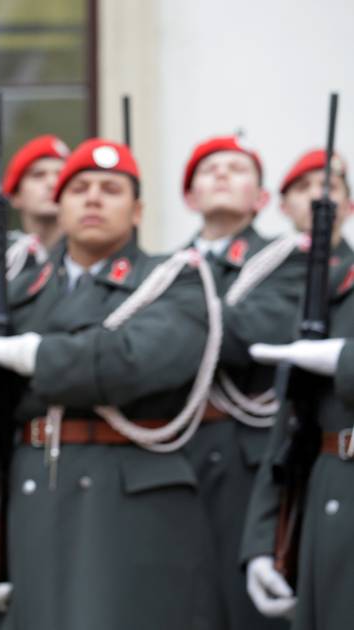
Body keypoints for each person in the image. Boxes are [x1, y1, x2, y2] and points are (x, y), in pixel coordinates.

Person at [0, 139, 224, 629]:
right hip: (34, 493)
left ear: (137, 211)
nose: (93, 198)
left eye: (111, 189)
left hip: (131, 503)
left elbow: (136, 362)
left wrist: (37, 357)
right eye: (79, 188)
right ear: (60, 205)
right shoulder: (19, 291)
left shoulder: (172, 279)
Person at [180, 136, 313, 630]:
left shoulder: (288, 259)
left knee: (245, 608)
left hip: (245, 458)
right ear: (189, 197)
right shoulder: (165, 267)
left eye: (236, 168)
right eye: (209, 168)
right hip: (176, 451)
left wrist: (167, 332)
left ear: (261, 198)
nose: (221, 174)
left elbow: (257, 334)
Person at [239, 147, 354, 630]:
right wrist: (263, 540)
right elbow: (289, 427)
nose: (318, 197)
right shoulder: (312, 285)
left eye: (330, 187)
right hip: (324, 491)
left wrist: (343, 360)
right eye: (304, 189)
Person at [3, 134, 71, 251]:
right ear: (16, 195)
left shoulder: (91, 253)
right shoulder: (3, 255)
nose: (52, 183)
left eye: (60, 175)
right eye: (38, 175)